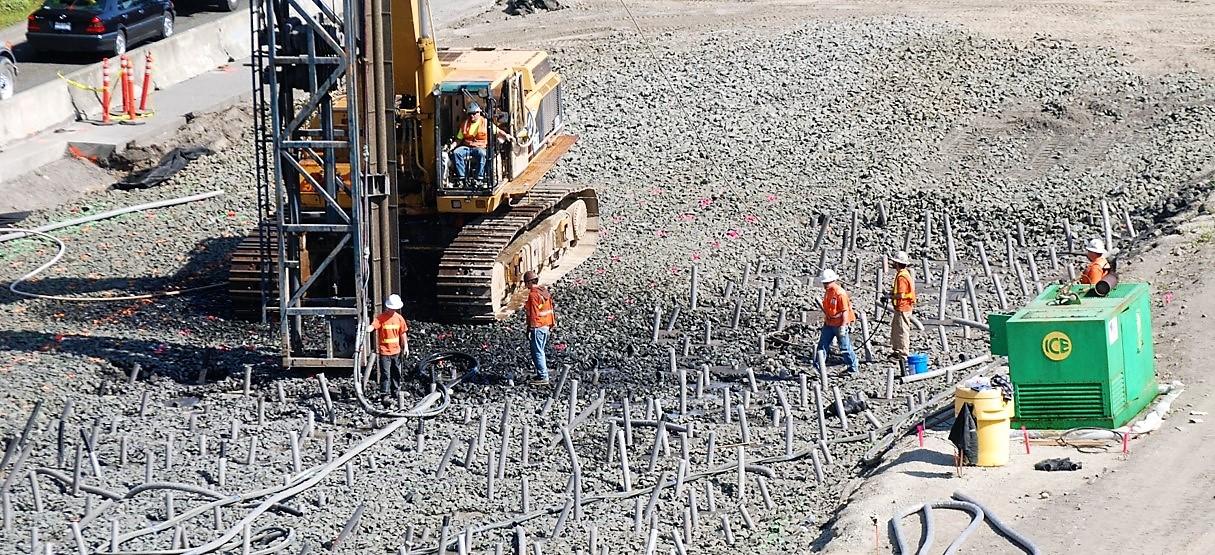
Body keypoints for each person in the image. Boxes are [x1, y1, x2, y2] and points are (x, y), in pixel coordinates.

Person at [449, 103, 510, 185]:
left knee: (482, 154)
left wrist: (506, 136)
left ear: (479, 113)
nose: (472, 116)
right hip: (467, 147)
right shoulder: (465, 124)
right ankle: (462, 177)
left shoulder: (485, 122)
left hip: (480, 147)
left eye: (474, 113)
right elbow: (459, 139)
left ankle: (479, 178)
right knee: (457, 153)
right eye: (470, 114)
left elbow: (498, 131)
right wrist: (452, 146)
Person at [817, 268, 860, 375]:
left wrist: (843, 326)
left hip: (839, 323)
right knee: (822, 346)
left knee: (845, 347)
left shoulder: (840, 293)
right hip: (829, 323)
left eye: (826, 283)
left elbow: (845, 311)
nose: (825, 285)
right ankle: (817, 367)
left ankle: (853, 368)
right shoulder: (828, 292)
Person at [370, 294, 409, 395]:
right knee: (386, 373)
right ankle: (384, 393)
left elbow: (403, 333)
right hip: (384, 351)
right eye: (391, 308)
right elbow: (374, 325)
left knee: (396, 372)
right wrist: (369, 328)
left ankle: (395, 390)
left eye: (394, 308)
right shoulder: (381, 318)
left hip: (396, 351)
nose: (393, 310)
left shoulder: (399, 319)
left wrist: (406, 347)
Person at [523, 270, 556, 385]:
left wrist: (530, 328)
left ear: (528, 282)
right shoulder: (544, 292)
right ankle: (541, 373)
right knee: (539, 350)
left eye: (525, 283)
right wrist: (552, 324)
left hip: (538, 327)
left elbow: (533, 313)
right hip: (545, 325)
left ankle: (543, 377)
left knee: (537, 352)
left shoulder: (533, 295)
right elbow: (550, 310)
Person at [886, 250, 916, 374]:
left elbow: (901, 294)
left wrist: (890, 297)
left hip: (904, 307)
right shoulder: (903, 274)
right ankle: (897, 350)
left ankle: (903, 354)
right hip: (900, 307)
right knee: (896, 329)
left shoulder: (902, 276)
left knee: (902, 330)